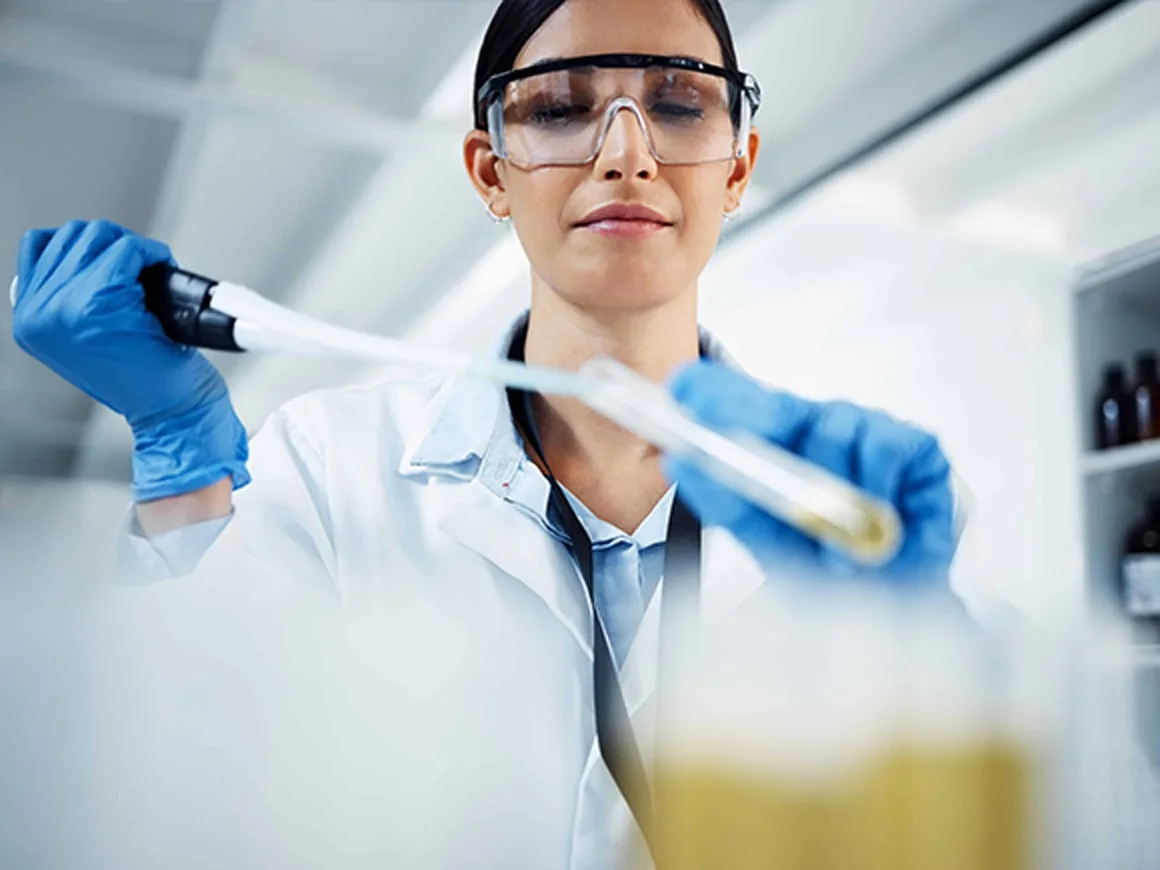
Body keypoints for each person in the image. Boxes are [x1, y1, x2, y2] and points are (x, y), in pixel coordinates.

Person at [10, 0, 958, 866]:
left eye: (678, 106)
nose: (627, 153)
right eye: (558, 109)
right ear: (489, 170)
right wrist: (176, 445)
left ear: (738, 165)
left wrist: (927, 647)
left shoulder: (837, 497)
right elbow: (188, 782)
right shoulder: (333, 469)